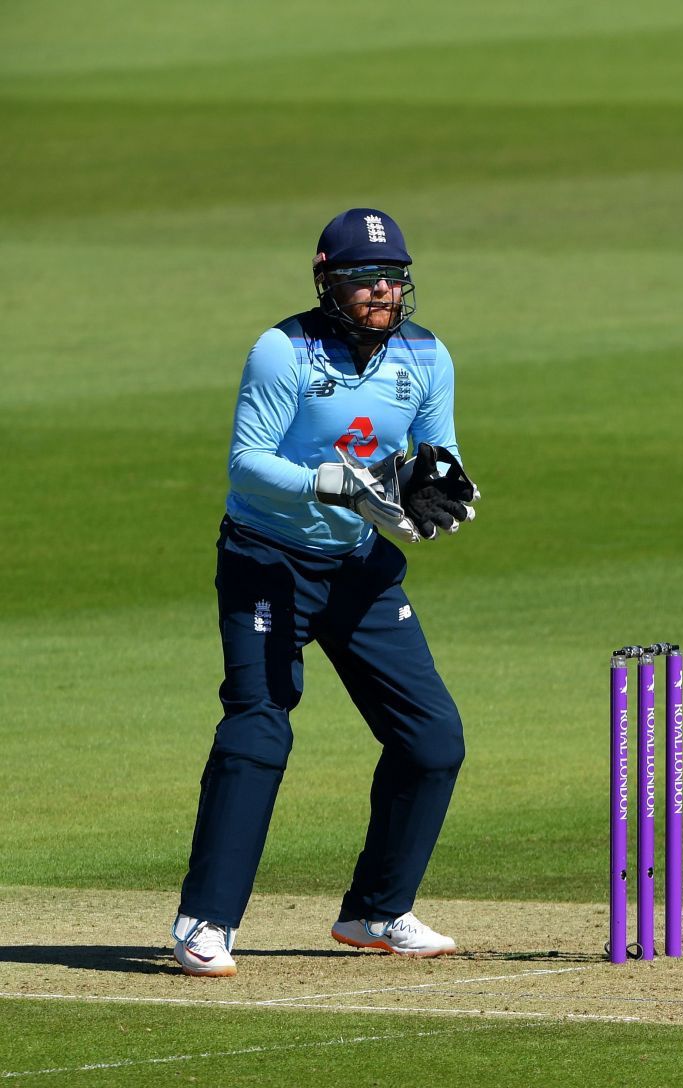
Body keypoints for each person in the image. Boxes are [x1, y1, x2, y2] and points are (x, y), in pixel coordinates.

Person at [171, 208, 481, 976]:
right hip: (266, 558)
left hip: (358, 566)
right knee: (260, 726)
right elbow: (246, 464)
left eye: (393, 278)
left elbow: (436, 452)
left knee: (432, 739)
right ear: (326, 280)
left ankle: (377, 909)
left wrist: (436, 484)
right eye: (363, 279)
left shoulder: (427, 354)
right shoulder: (283, 350)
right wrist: (333, 483)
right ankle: (205, 919)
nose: (382, 290)